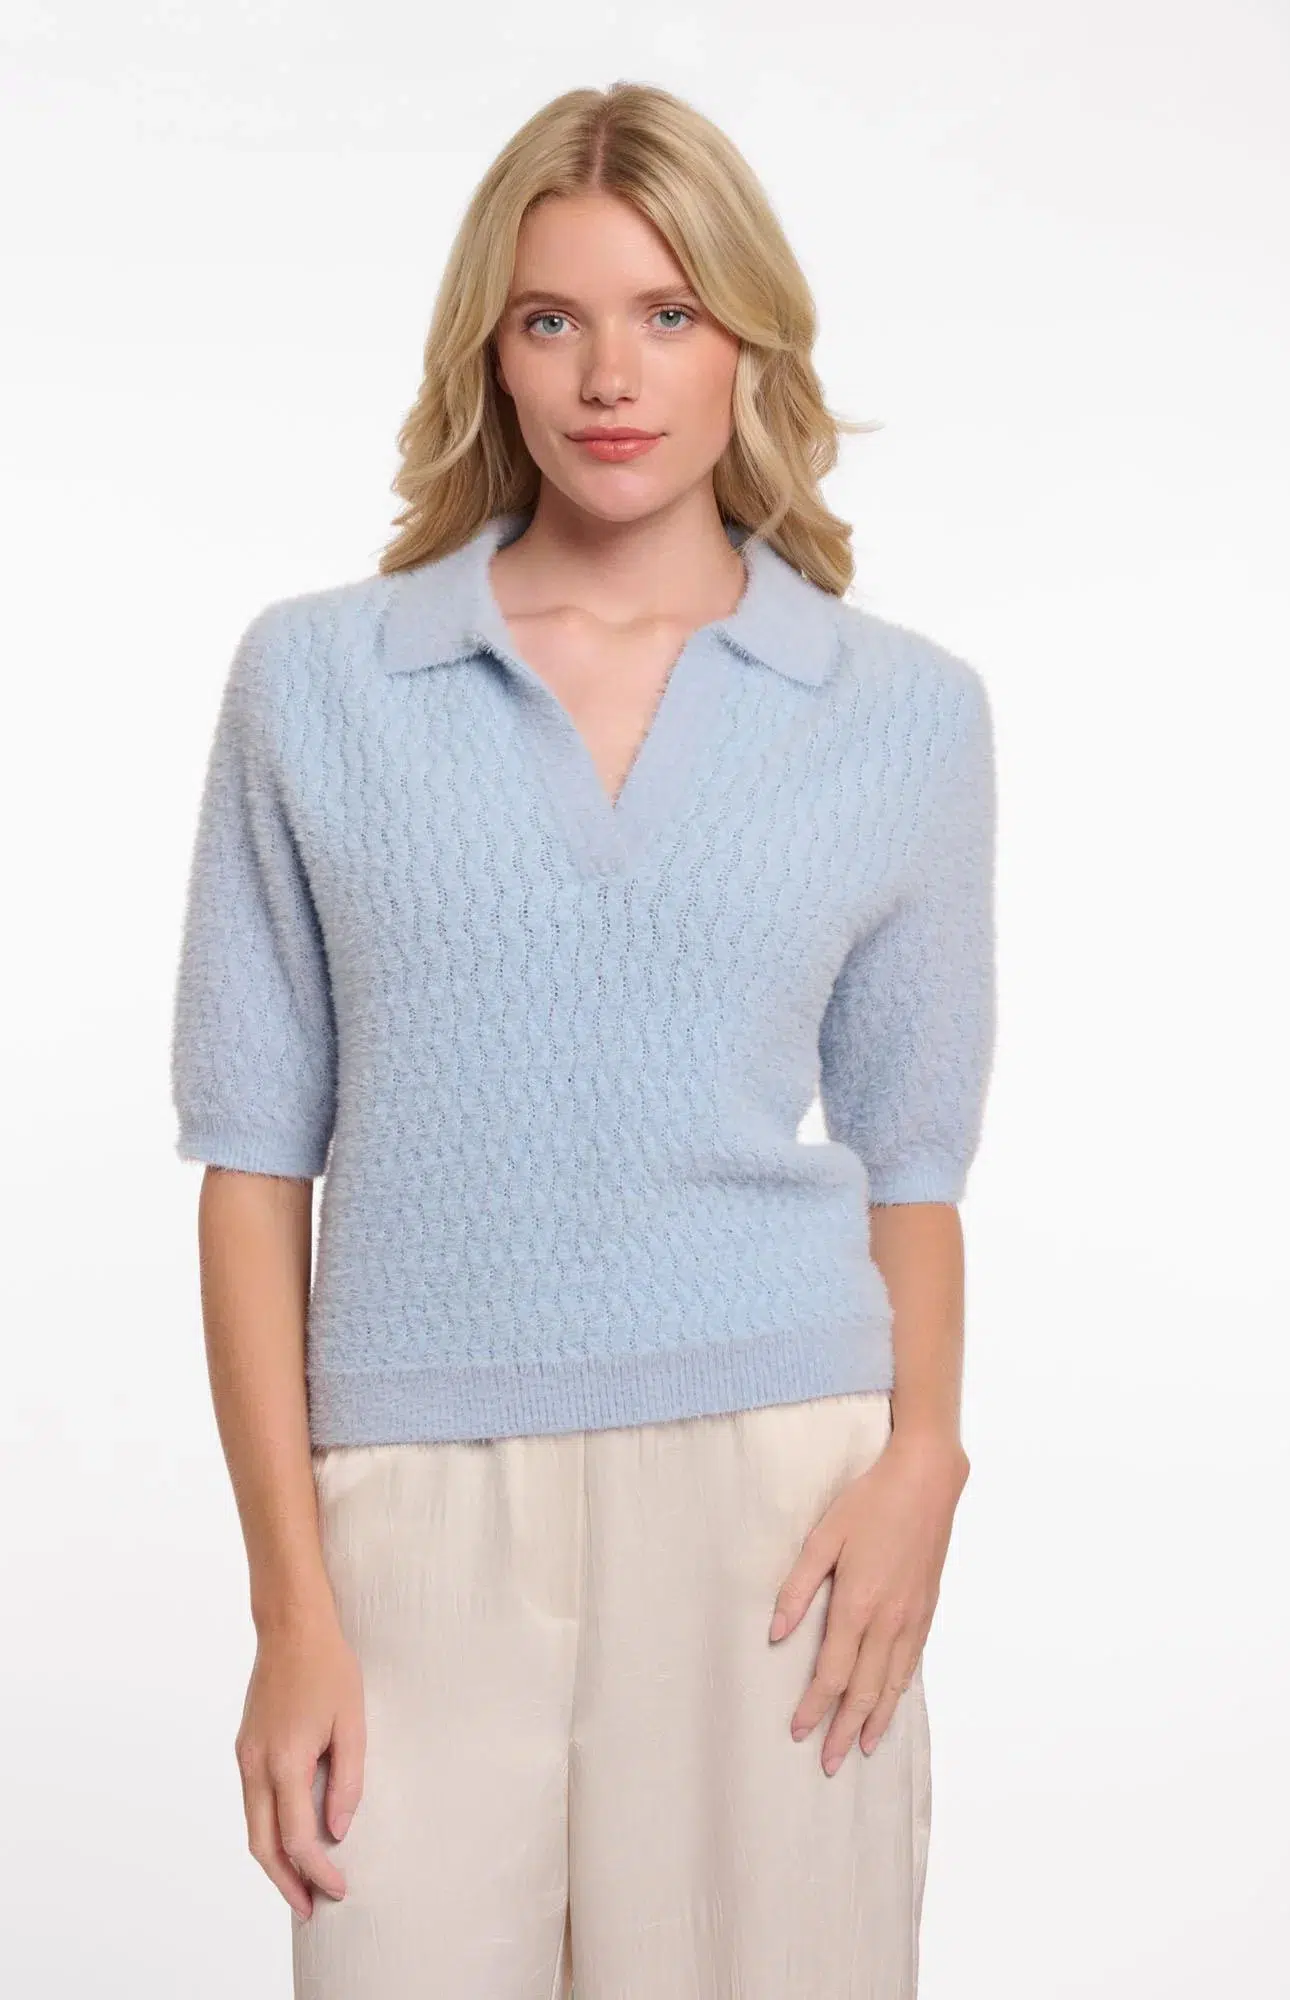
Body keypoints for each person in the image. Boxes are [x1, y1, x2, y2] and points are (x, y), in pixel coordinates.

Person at [170, 79, 997, 2000]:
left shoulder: (898, 713)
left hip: (775, 1508)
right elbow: (250, 1160)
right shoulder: (320, 681)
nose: (610, 376)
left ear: (747, 342)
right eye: (553, 318)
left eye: (667, 313)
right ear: (491, 348)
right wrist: (292, 1606)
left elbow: (915, 1154)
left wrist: (923, 1461)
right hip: (413, 1504)